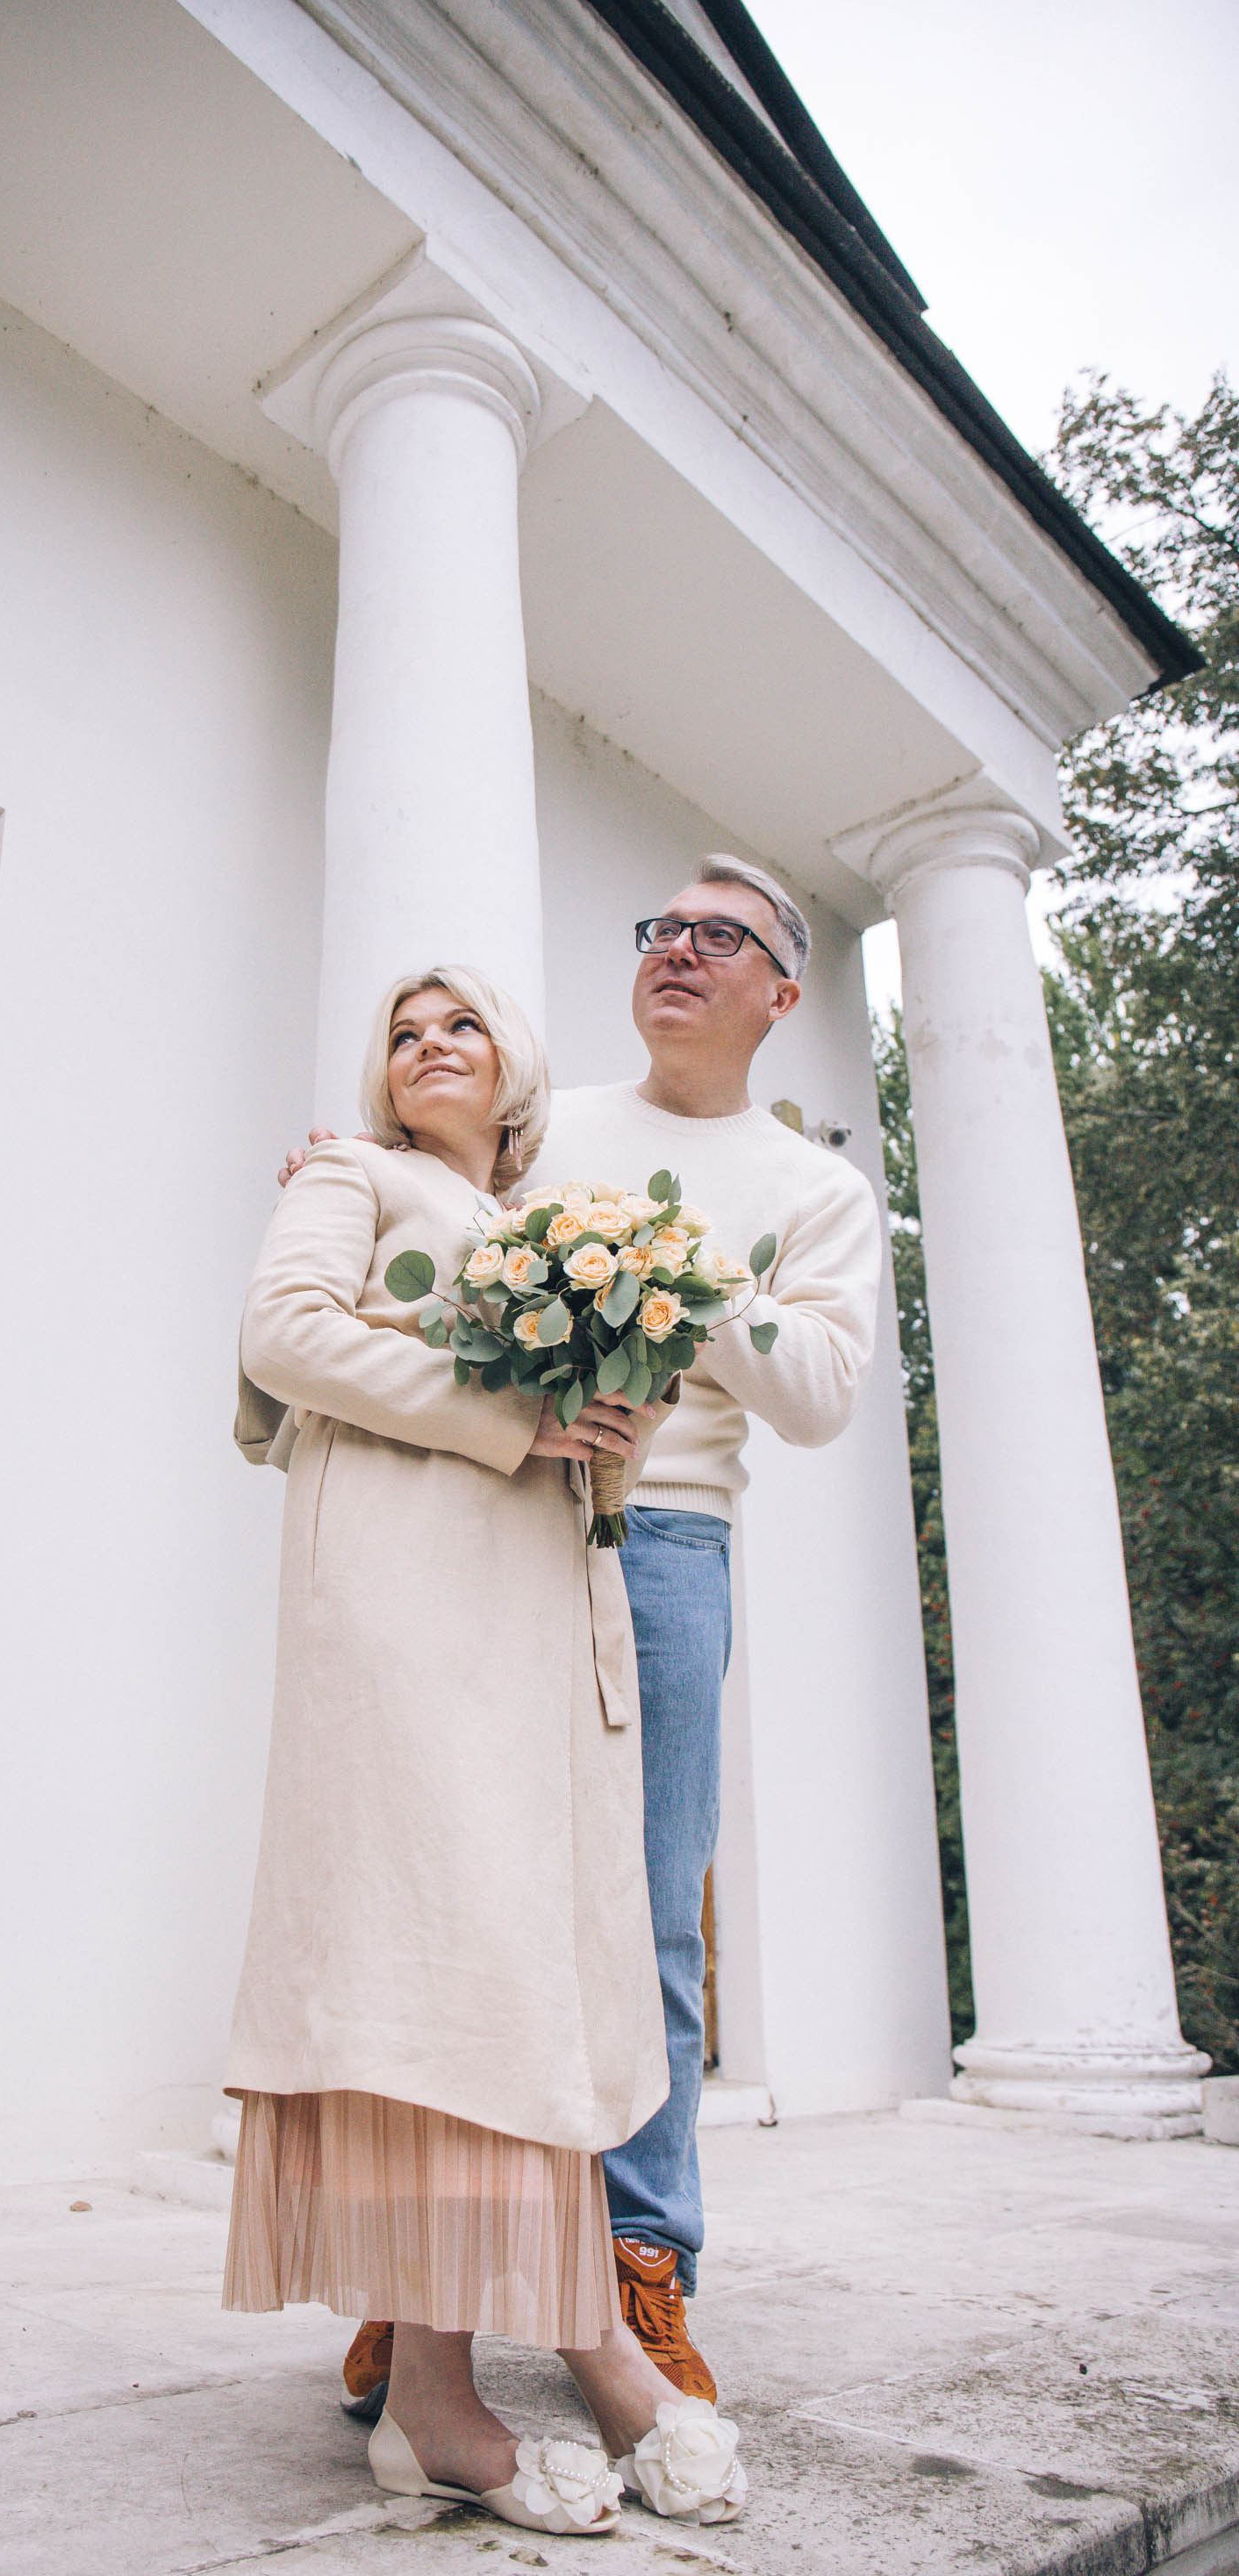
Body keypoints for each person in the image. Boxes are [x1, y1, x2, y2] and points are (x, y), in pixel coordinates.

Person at [273, 859, 883, 2414]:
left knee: (645, 1914)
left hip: (664, 1546)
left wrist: (679, 1278)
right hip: (497, 1520)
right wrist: (345, 1173)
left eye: (720, 936)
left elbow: (820, 1398)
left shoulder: (815, 1190)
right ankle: (427, 2282)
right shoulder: (546, 1136)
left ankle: (638, 2259)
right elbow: (432, 1229)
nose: (679, 950)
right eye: (662, 928)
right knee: (466, 1902)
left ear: (781, 992)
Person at [226, 965, 748, 2537]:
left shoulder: (552, 1233)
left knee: (523, 1970)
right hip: (401, 1614)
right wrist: (508, 1418)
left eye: (460, 1026)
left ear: (514, 1069)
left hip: (528, 1623)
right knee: (436, 1959)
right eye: (404, 1031)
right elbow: (282, 1339)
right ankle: (443, 2398)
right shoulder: (351, 1174)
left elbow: (580, 1442)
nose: (428, 1046)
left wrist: (610, 1429)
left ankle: (548, 2357)